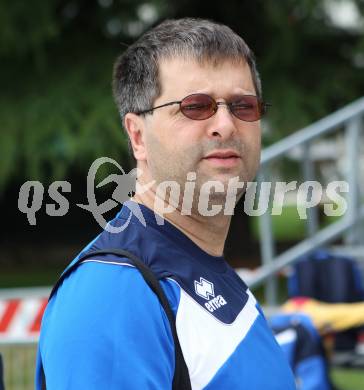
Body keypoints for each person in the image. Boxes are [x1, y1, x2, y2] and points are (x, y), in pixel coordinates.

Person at [35, 17, 296, 389]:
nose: (226, 123)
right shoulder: (114, 291)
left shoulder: (207, 267)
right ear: (137, 136)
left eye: (243, 106)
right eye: (195, 106)